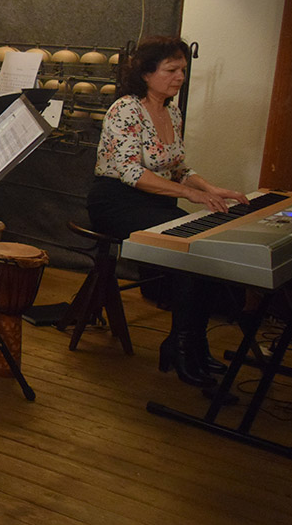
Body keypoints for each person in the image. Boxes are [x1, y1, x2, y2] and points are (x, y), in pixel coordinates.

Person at [87, 36, 248, 390]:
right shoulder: (125, 109)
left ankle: (191, 343)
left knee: (204, 245)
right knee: (189, 249)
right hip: (116, 201)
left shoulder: (171, 111)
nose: (180, 78)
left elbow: (177, 168)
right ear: (146, 73)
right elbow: (131, 172)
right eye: (172, 70)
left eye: (183, 70)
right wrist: (191, 195)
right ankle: (181, 347)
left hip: (155, 202)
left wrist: (210, 189)